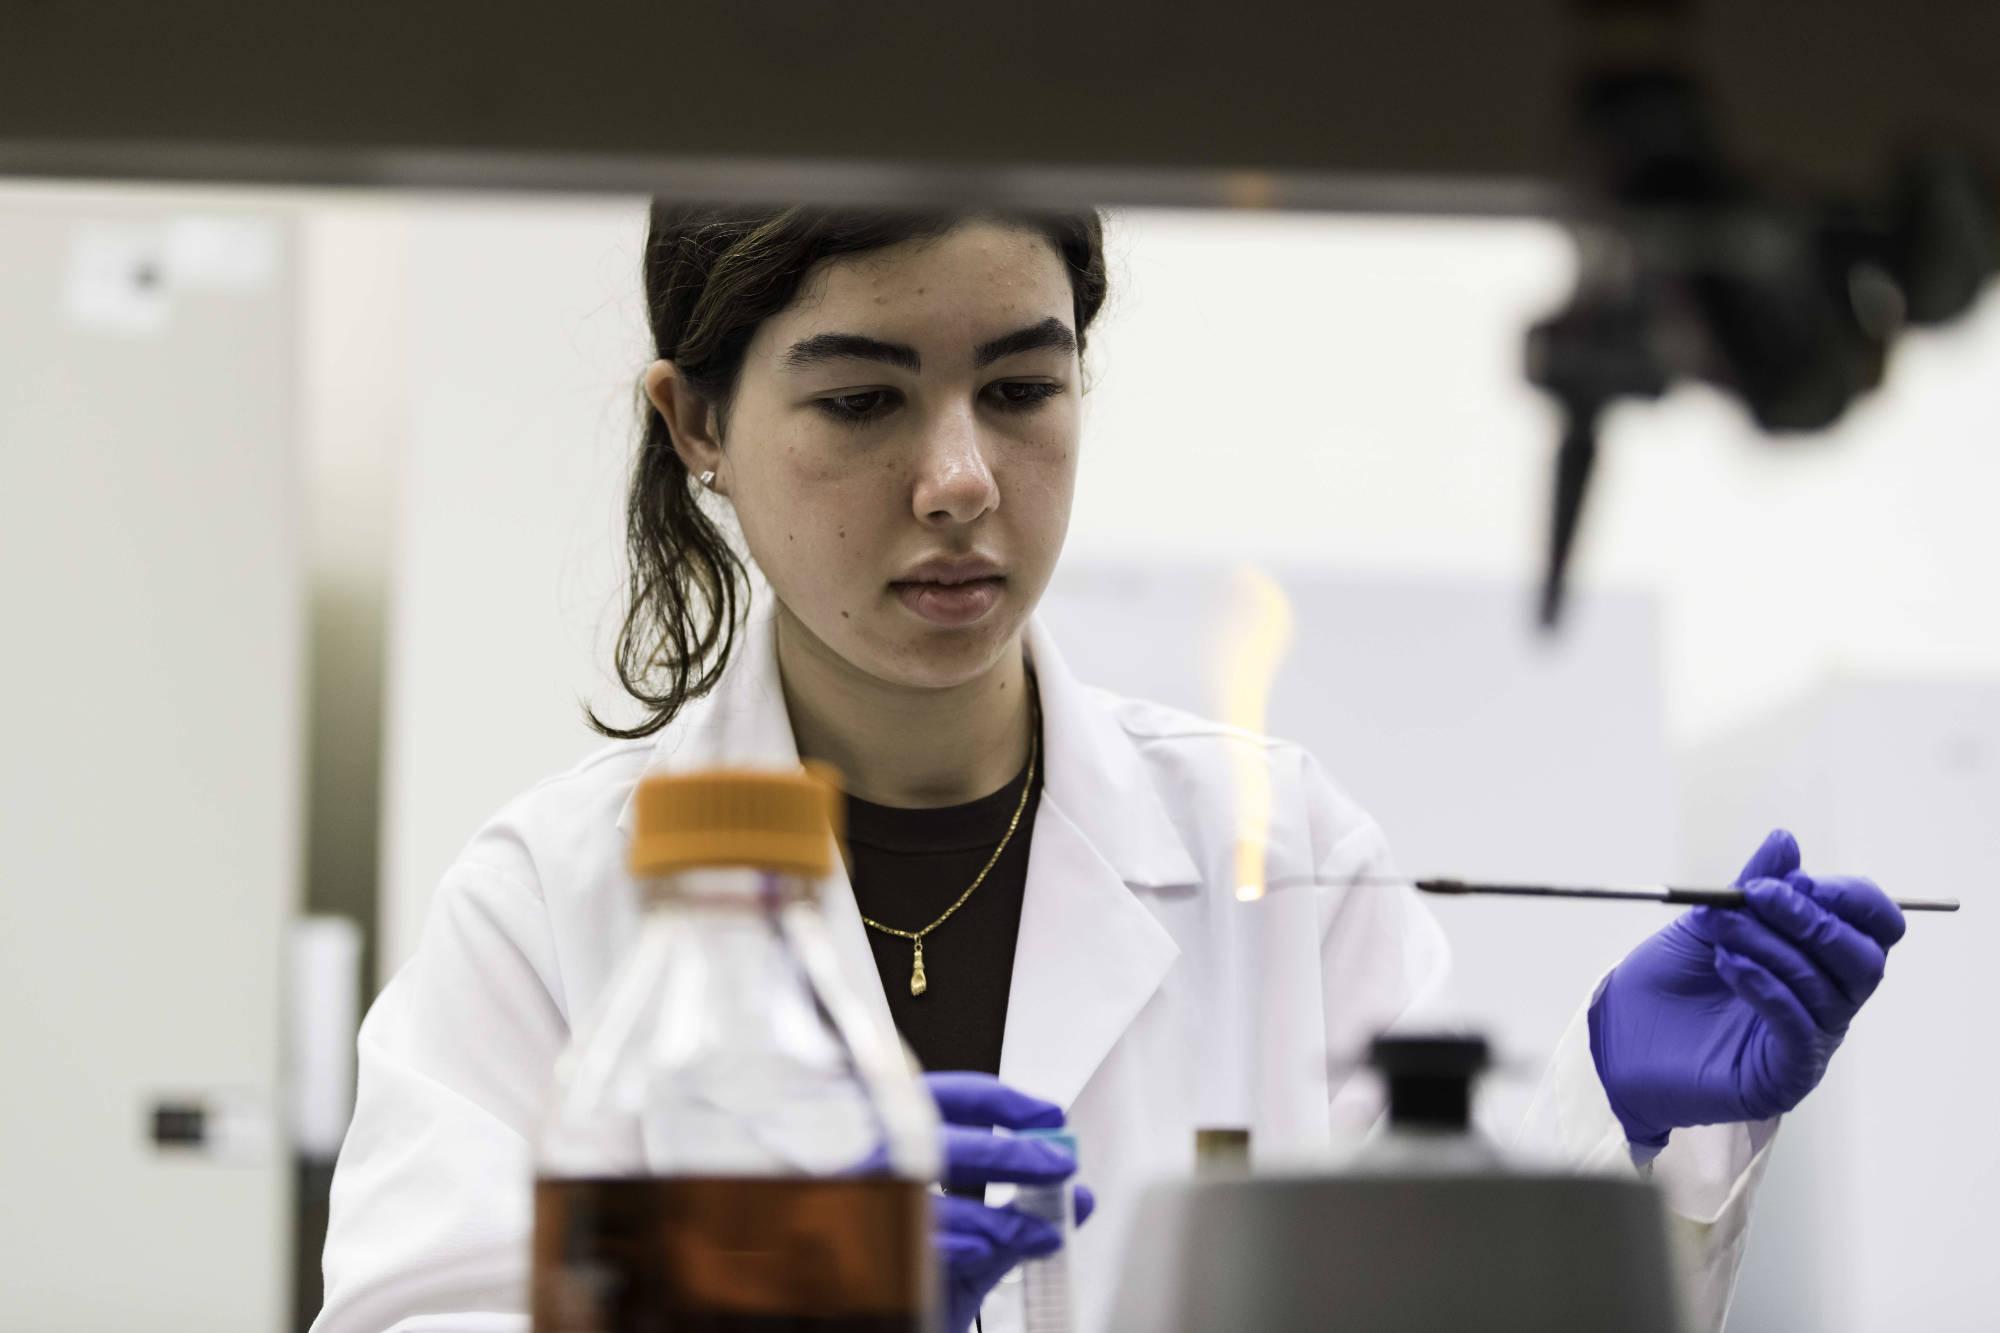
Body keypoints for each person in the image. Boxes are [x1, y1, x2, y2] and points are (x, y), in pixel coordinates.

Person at [313, 203, 1907, 1333]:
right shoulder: (549, 906)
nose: (958, 479)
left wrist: (1621, 1125)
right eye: (863, 398)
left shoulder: (1277, 847)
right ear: (697, 423)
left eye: (1021, 387)